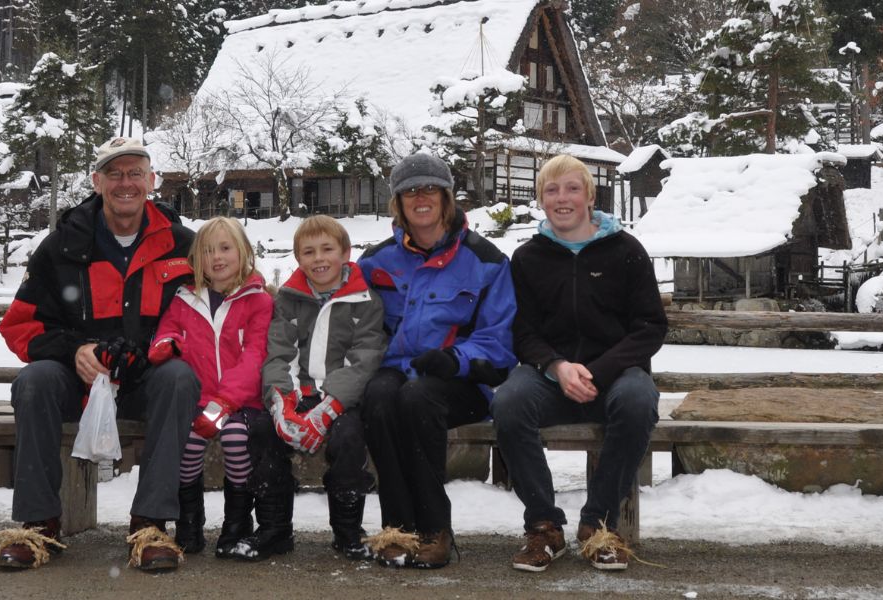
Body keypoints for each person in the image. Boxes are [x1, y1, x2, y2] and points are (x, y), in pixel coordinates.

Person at [0, 137, 198, 572]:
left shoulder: (184, 246)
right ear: (97, 181)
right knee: (34, 381)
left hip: (145, 382)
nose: (126, 183)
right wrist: (75, 350)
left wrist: (154, 352)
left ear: (151, 181)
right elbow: (20, 325)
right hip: (77, 386)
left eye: (135, 173)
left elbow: (211, 321)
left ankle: (150, 525)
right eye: (114, 174)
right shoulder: (61, 246)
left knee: (179, 378)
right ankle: (38, 525)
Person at [491, 154, 667, 572]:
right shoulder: (528, 258)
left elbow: (649, 327)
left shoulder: (625, 250)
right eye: (551, 190)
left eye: (572, 188)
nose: (562, 198)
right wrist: (557, 366)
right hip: (548, 377)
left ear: (590, 196)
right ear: (541, 200)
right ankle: (544, 525)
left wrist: (598, 370)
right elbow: (522, 332)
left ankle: (599, 526)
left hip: (616, 376)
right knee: (509, 403)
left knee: (639, 399)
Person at [356, 152, 516, 569]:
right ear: (397, 202)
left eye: (429, 188)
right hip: (396, 369)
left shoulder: (486, 261)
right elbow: (357, 325)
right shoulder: (375, 262)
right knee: (378, 397)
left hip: (462, 381)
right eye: (409, 191)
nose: (419, 197)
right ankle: (397, 527)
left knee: (418, 397)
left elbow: (499, 340)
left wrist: (455, 359)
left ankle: (433, 528)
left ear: (446, 197)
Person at [145, 217, 273, 559]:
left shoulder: (258, 301)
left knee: (235, 439)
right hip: (199, 400)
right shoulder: (185, 299)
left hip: (241, 401)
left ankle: (238, 520)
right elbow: (168, 329)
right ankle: (190, 517)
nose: (216, 257)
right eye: (206, 251)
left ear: (243, 251)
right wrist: (165, 343)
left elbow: (254, 357)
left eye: (225, 248)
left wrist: (225, 402)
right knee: (186, 443)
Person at [263, 215, 387, 561]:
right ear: (298, 258)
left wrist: (330, 408)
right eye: (308, 252)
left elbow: (363, 360)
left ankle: (347, 530)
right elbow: (280, 352)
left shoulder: (365, 301)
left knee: (348, 439)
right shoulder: (288, 299)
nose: (319, 259)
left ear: (346, 253)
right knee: (264, 436)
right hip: (296, 394)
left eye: (327, 249)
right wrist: (281, 405)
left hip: (341, 399)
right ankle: (275, 528)